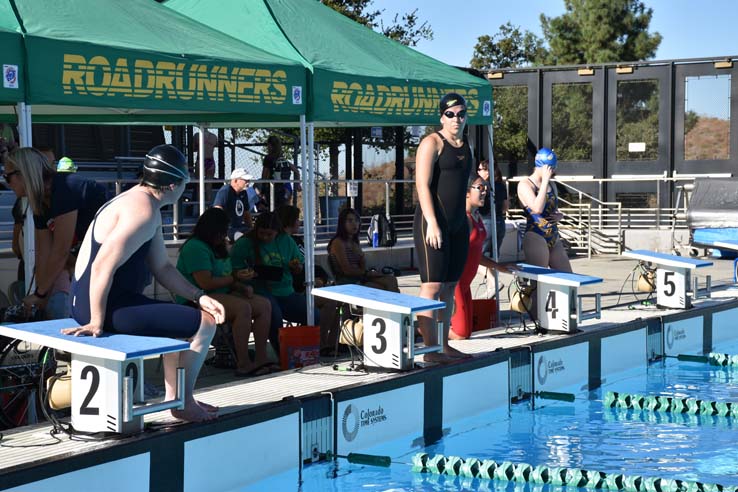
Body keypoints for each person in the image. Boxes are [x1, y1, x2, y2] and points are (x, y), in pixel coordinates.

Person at [64, 144, 225, 423]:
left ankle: (176, 399)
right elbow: (102, 265)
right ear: (173, 184)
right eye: (185, 183)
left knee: (183, 322)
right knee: (205, 324)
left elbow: (161, 266)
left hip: (94, 299)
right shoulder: (142, 213)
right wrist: (96, 322)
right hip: (100, 306)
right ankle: (183, 403)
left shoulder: (139, 202)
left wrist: (199, 296)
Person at [6, 148, 107, 319]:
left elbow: (60, 249)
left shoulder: (64, 187)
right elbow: (43, 253)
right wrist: (41, 297)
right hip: (99, 260)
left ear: (24, 173)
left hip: (121, 259)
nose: (7, 183)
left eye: (7, 177)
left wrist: (40, 295)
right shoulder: (40, 202)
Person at [176, 207, 276, 376]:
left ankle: (261, 357)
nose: (225, 234)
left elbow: (226, 276)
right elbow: (205, 282)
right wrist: (234, 278)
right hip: (196, 299)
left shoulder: (219, 246)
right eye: (223, 231)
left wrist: (241, 286)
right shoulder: (195, 247)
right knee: (242, 308)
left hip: (221, 294)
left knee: (264, 305)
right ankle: (243, 363)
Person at [413, 92, 474, 362]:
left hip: (458, 224)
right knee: (432, 286)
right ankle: (429, 350)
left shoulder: (466, 144)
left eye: (461, 113)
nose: (456, 118)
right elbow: (422, 185)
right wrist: (433, 224)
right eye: (450, 114)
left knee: (450, 285)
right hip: (432, 222)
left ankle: (443, 344)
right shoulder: (432, 143)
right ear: (442, 116)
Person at [231, 212, 339, 354]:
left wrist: (296, 267)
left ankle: (302, 350)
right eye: (262, 233)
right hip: (261, 292)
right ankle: (283, 355)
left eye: (269, 234)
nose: (265, 238)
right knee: (274, 317)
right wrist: (243, 274)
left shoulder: (286, 240)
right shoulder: (245, 243)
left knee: (314, 316)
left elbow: (299, 266)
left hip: (286, 292)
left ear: (277, 232)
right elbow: (233, 270)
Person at [449, 175, 514, 340]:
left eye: (486, 189)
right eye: (480, 188)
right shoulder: (462, 219)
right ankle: (423, 331)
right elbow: (451, 255)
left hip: (466, 285)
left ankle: (429, 330)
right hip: (456, 284)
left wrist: (499, 267)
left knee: (468, 331)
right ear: (466, 192)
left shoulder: (476, 216)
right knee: (460, 334)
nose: (485, 192)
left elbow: (475, 255)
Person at [517, 147, 571, 273]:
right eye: (551, 169)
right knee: (540, 281)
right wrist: (545, 180)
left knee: (568, 278)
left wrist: (559, 216)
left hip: (553, 235)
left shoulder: (551, 185)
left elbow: (554, 209)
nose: (553, 172)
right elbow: (537, 208)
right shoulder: (525, 184)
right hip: (536, 235)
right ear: (543, 167)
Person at [327, 208, 399, 292]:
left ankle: (396, 303)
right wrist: (366, 273)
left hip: (359, 277)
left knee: (391, 280)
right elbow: (346, 270)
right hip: (347, 281)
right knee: (382, 288)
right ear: (342, 223)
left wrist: (361, 256)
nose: (354, 224)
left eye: (357, 220)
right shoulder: (338, 242)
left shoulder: (354, 242)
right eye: (350, 221)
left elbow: (363, 266)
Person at [277, 204, 331, 293]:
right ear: (290, 221)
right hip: (296, 287)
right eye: (297, 219)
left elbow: (308, 265)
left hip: (308, 282)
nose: (299, 222)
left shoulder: (297, 240)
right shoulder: (281, 243)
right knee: (330, 301)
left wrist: (321, 278)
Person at [212, 168, 254, 242]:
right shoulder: (225, 191)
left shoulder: (243, 193)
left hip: (239, 227)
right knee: (244, 240)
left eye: (248, 180)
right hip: (228, 229)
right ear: (235, 180)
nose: (248, 183)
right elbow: (217, 211)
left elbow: (246, 213)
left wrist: (252, 229)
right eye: (245, 180)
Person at [261, 136, 300, 210]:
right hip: (286, 189)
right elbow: (296, 171)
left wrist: (263, 191)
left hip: (274, 189)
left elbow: (265, 175)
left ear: (270, 145)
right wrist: (298, 184)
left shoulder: (268, 158)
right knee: (284, 211)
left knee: (273, 210)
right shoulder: (283, 159)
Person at [192, 129, 218, 201]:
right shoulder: (214, 136)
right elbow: (216, 145)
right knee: (209, 186)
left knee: (199, 185)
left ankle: (199, 206)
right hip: (210, 160)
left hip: (201, 160)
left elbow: (193, 149)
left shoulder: (197, 135)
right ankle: (208, 206)